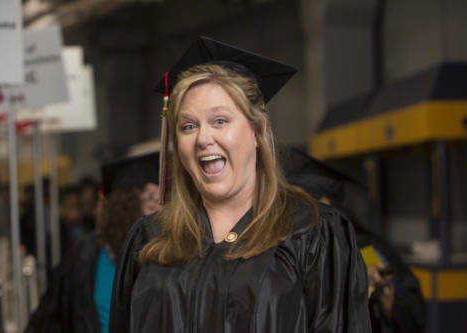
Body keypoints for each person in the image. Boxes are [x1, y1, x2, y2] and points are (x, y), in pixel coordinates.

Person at [109, 36, 371, 333]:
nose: (203, 138)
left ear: (258, 129)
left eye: (220, 120)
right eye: (188, 126)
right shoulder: (149, 236)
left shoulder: (313, 232)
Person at [282, 146, 425, 333]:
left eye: (299, 202)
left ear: (324, 203)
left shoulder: (366, 248)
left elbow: (410, 310)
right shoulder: (290, 249)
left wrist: (386, 298)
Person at [25, 151, 161, 333]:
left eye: (161, 198)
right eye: (149, 196)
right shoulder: (84, 254)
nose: (157, 205)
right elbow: (49, 316)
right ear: (124, 204)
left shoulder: (168, 254)